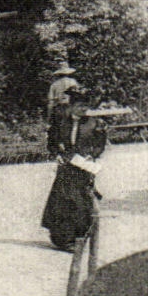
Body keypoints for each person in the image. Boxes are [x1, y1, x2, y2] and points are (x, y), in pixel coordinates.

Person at [40, 65, 109, 250]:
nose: (82, 110)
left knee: (81, 202)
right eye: (79, 107)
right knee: (62, 201)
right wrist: (57, 153)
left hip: (83, 168)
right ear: (70, 106)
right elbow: (52, 141)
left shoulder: (94, 124)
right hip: (66, 167)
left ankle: (79, 237)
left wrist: (91, 156)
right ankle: (63, 238)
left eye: (85, 107)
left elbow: (99, 145)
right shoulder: (61, 122)